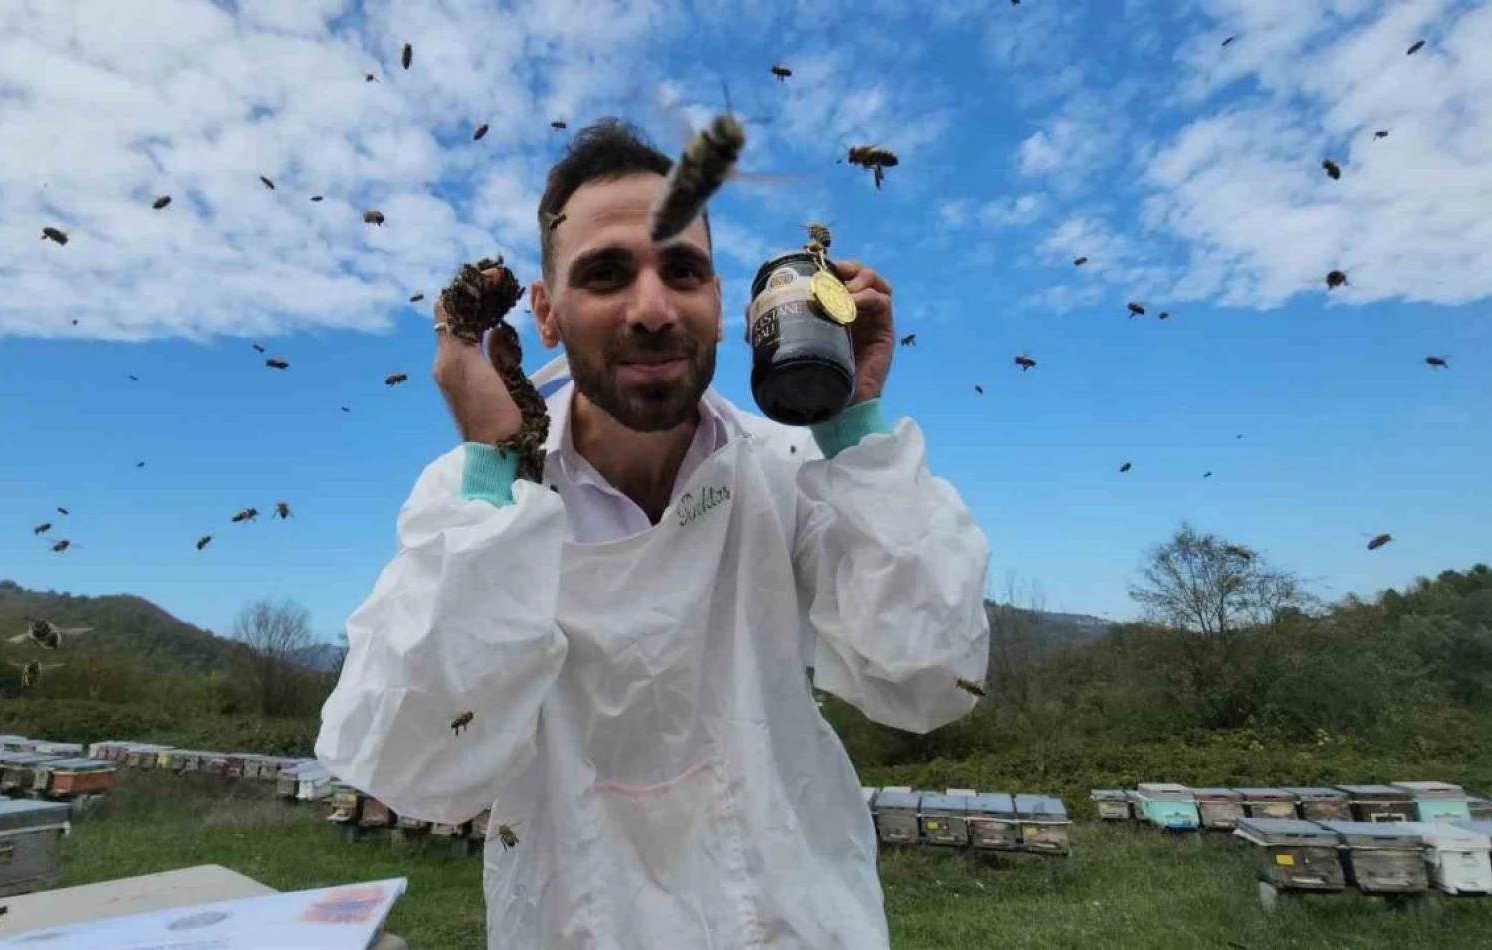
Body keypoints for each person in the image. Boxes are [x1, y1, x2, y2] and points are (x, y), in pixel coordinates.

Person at [316, 118, 990, 950]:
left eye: (682, 270)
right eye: (605, 274)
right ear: (545, 314)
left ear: (721, 301)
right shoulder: (479, 496)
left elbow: (931, 676)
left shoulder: (787, 467)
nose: (652, 310)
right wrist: (494, 468)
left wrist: (853, 425)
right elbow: (414, 764)